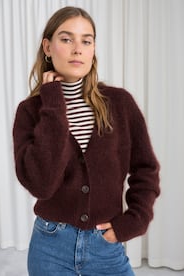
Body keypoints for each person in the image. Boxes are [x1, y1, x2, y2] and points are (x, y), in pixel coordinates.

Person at [12, 6, 160, 275]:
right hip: (50, 247)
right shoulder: (30, 111)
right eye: (66, 39)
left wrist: (134, 221)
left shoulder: (120, 103)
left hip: (106, 246)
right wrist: (53, 104)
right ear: (48, 46)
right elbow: (41, 185)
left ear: (93, 49)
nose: (77, 49)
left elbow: (146, 169)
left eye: (86, 40)